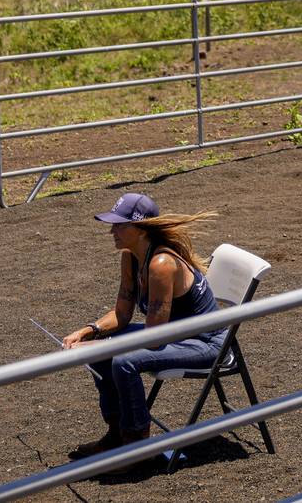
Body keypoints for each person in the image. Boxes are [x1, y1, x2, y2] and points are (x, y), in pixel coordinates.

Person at [62, 192, 227, 464]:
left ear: (140, 229)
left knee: (123, 361)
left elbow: (153, 338)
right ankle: (117, 434)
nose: (112, 231)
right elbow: (122, 313)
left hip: (204, 343)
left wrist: (100, 345)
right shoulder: (131, 255)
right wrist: (89, 331)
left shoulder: (161, 264)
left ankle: (136, 445)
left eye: (119, 224)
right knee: (103, 352)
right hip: (175, 334)